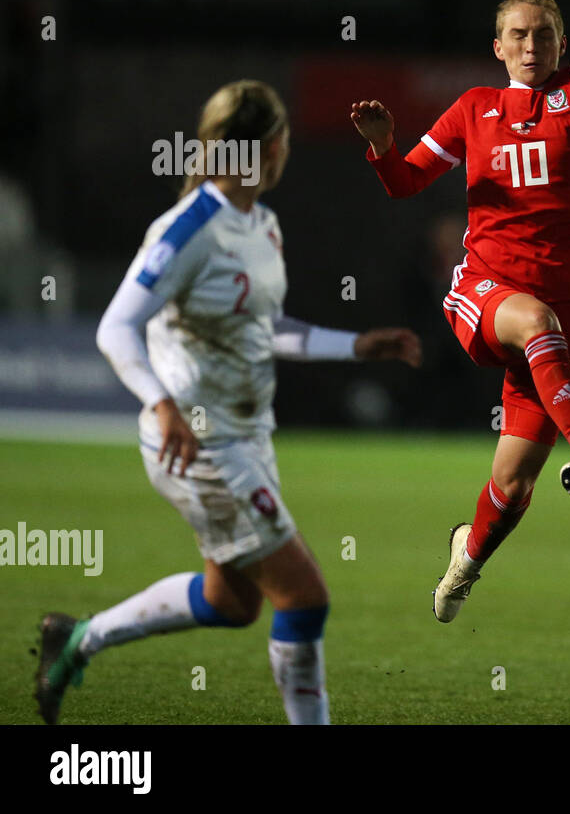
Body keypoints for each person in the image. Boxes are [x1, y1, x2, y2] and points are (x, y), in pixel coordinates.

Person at [34, 80, 422, 724]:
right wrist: (161, 404)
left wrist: (355, 346)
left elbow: (262, 330)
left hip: (246, 437)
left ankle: (76, 639)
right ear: (270, 148)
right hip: (202, 445)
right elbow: (115, 327)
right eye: (287, 141)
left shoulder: (261, 224)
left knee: (231, 602)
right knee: (304, 598)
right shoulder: (190, 228)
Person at [351, 0, 570, 623]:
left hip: (566, 307)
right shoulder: (474, 108)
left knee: (514, 482)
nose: (530, 44)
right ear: (498, 47)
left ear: (562, 45)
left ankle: (466, 557)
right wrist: (383, 147)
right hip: (486, 293)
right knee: (534, 321)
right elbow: (405, 182)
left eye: (542, 34)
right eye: (518, 34)